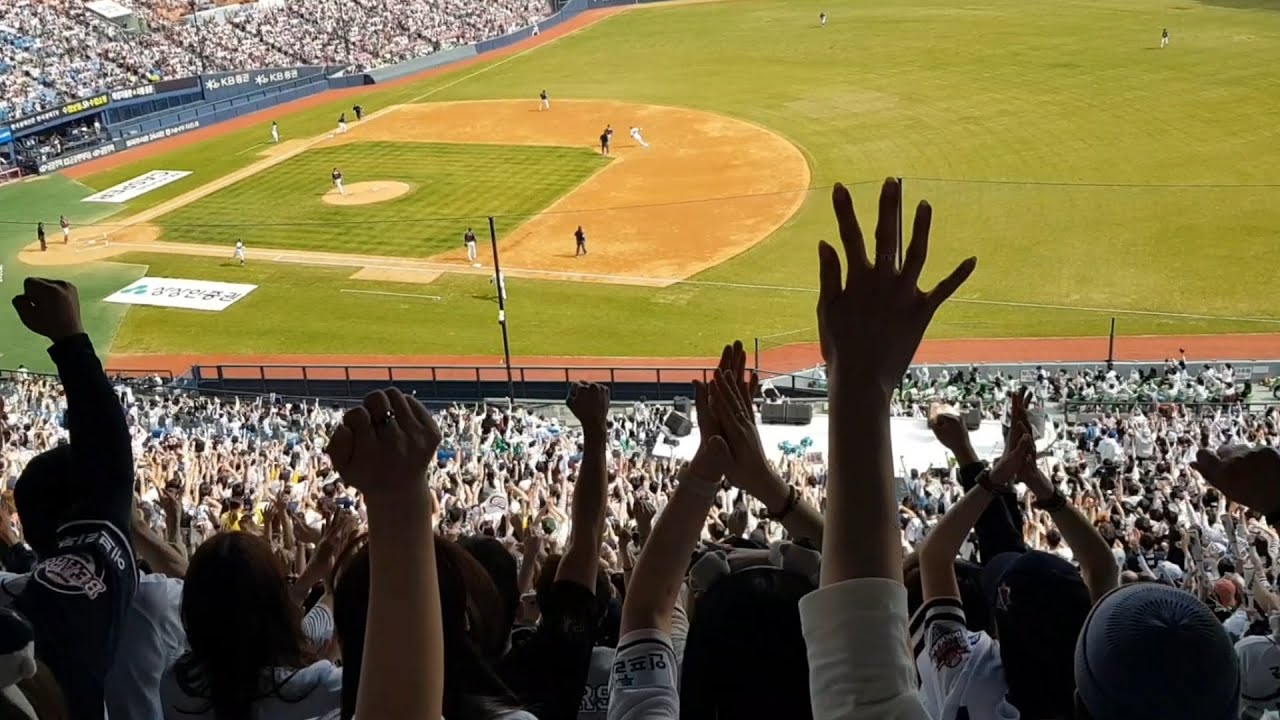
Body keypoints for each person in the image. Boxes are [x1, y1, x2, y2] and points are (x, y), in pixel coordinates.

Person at [2, 278, 139, 719]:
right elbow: (110, 471)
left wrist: (13, 550)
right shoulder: (60, 616)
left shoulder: (21, 589)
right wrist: (70, 340)